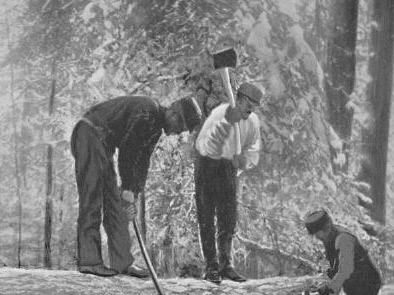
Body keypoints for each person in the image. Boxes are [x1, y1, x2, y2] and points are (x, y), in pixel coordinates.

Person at [71, 95, 203, 277]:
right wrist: (127, 189)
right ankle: (89, 261)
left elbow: (142, 162)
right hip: (89, 134)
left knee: (115, 205)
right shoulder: (147, 113)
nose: (177, 133)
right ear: (174, 114)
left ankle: (122, 263)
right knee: (92, 198)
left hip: (103, 143)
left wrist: (134, 191)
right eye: (180, 127)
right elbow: (128, 151)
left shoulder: (155, 128)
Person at [194, 82, 263, 284]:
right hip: (207, 165)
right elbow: (205, 145)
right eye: (248, 103)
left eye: (254, 105)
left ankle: (226, 265)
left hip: (228, 169)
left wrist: (244, 161)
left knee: (228, 217)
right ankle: (211, 267)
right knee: (206, 216)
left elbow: (253, 149)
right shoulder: (220, 113)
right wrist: (225, 124)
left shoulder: (252, 122)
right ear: (239, 99)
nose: (250, 108)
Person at [303, 209, 382, 295]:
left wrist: (329, 289)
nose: (318, 238)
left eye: (318, 235)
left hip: (366, 281)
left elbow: (346, 269)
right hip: (354, 282)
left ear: (326, 227)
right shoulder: (330, 238)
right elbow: (337, 265)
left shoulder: (343, 239)